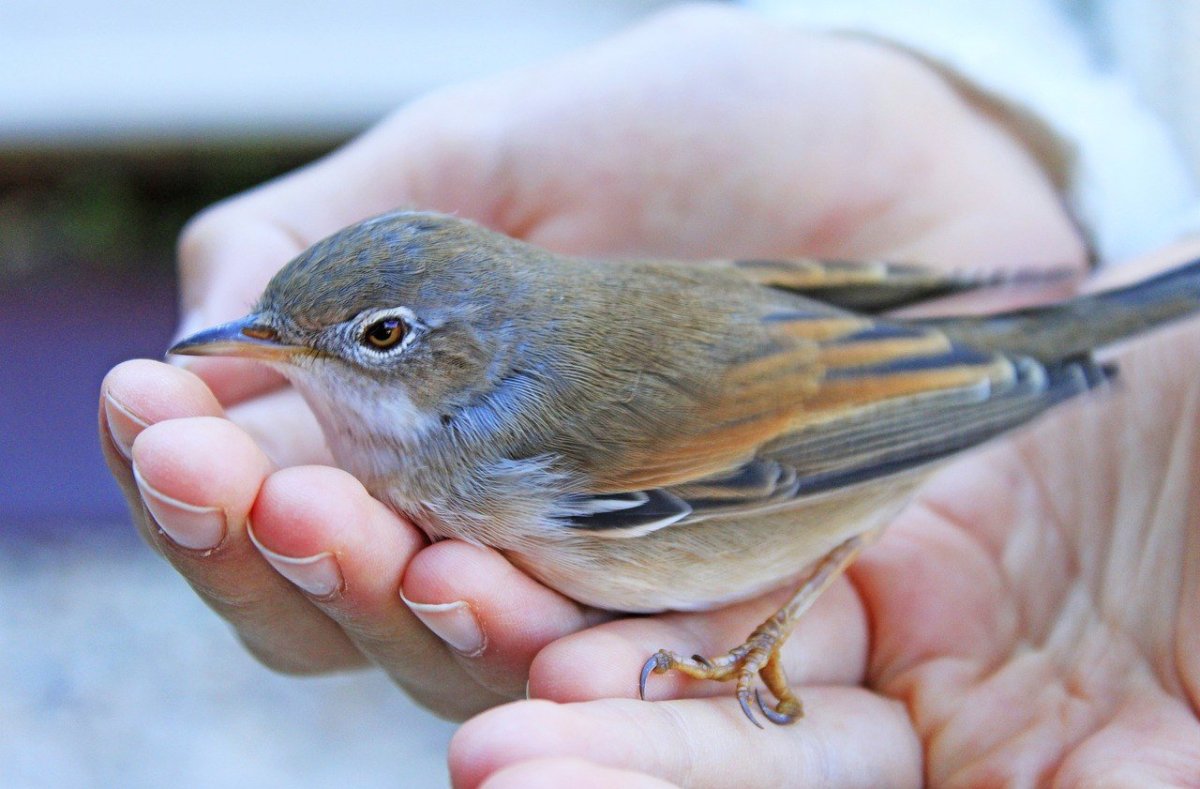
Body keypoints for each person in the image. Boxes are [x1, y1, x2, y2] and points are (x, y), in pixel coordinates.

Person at [99, 5, 1200, 785]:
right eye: (277, 336)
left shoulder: (527, 455)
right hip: (825, 339)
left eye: (378, 338)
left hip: (851, 427)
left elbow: (804, 467)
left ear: (463, 351)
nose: (275, 354)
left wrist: (767, 629)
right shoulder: (491, 389)